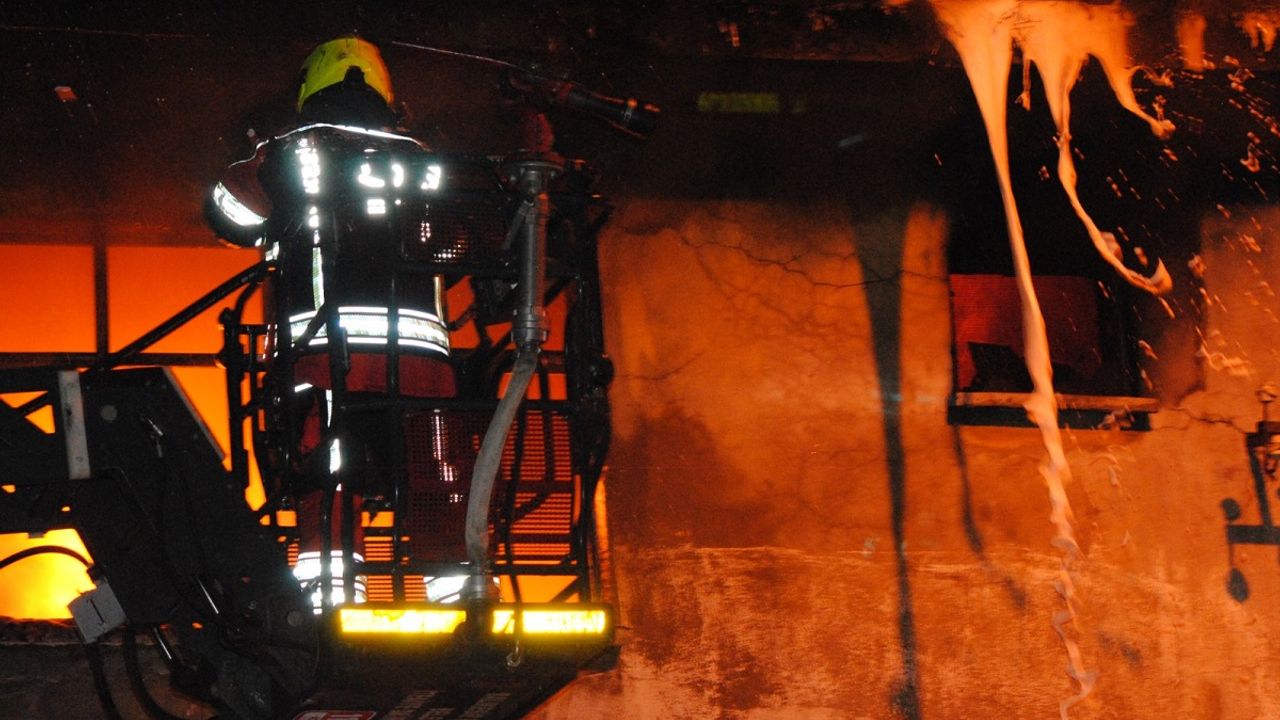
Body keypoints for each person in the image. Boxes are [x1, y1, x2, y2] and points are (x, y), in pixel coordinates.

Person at [207, 36, 467, 607]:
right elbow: (456, 246)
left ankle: (331, 592)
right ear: (385, 92)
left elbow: (231, 217)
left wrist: (251, 161)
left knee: (329, 471)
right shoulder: (425, 162)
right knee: (435, 477)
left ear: (311, 87)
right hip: (422, 370)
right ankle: (459, 588)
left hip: (327, 357)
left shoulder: (293, 153)